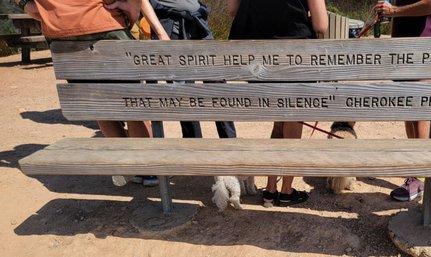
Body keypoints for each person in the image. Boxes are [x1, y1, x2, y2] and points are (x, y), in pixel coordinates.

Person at [17, 0, 158, 186]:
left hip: (60, 30)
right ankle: (146, 169)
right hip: (103, 22)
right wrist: (132, 13)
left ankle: (125, 164)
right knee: (130, 100)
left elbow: (31, 7)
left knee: (94, 100)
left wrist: (42, 9)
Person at [227, 0, 328, 206]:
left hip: (258, 60)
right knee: (293, 121)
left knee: (280, 121)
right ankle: (286, 191)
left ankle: (271, 190)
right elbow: (321, 25)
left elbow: (232, 10)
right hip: (293, 53)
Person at [373, 0, 431, 202]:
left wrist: (394, 11)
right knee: (409, 113)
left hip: (423, 47)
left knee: (419, 114)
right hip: (406, 49)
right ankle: (415, 176)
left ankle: (418, 177)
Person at [140, 0, 237, 140]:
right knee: (183, 90)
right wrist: (161, 33)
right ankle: (193, 144)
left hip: (198, 20)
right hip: (170, 24)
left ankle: (230, 142)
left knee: (217, 83)